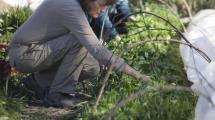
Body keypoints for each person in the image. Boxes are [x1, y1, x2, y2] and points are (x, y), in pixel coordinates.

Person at [8, 0, 149, 108]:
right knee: (78, 42)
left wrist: (102, 58)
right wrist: (138, 75)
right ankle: (59, 95)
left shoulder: (75, 6)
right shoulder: (69, 7)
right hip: (24, 54)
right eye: (103, 4)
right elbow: (96, 48)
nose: (103, 10)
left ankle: (38, 83)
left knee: (92, 66)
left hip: (38, 52)